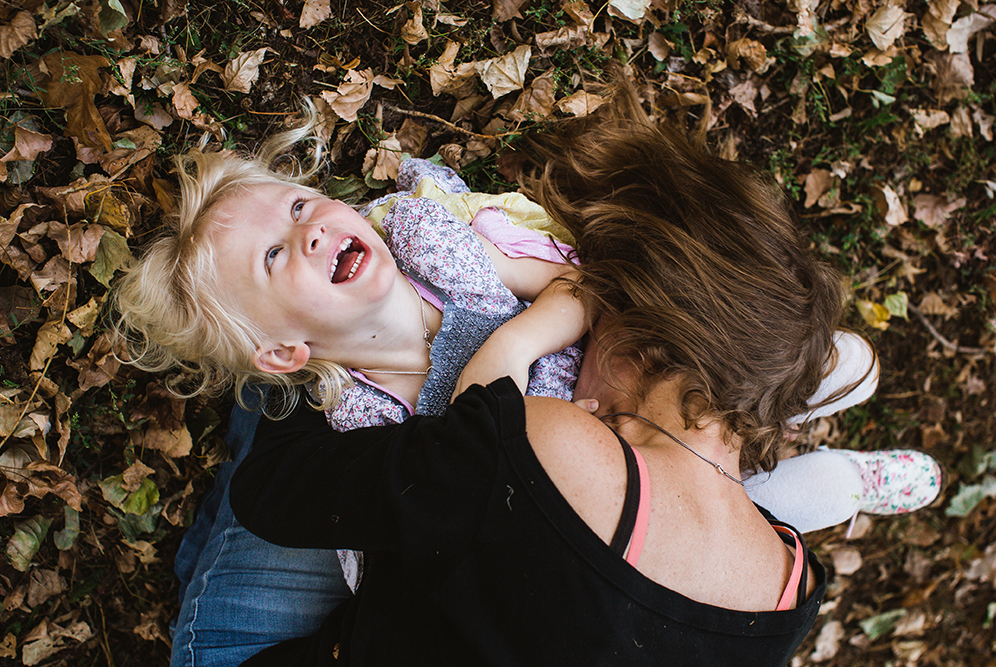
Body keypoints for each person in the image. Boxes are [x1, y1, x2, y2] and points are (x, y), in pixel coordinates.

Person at [111, 92, 939, 666]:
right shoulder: (779, 611)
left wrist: (550, 316)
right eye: (279, 244)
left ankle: (257, 366)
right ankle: (814, 413)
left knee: (268, 406)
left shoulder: (497, 444)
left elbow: (292, 490)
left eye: (300, 213)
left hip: (340, 607)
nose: (315, 229)